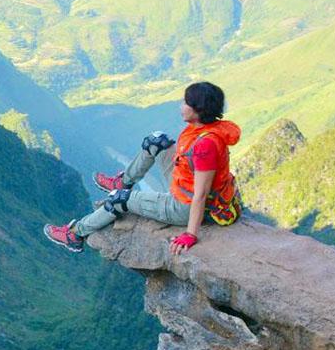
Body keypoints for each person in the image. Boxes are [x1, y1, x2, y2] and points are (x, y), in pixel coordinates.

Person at [43, 81, 242, 254]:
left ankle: (75, 234)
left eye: (186, 103)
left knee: (119, 199)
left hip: (185, 206)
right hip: (185, 185)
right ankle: (123, 181)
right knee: (156, 141)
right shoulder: (203, 129)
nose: (181, 106)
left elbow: (200, 194)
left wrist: (190, 234)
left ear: (198, 110)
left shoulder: (205, 146)